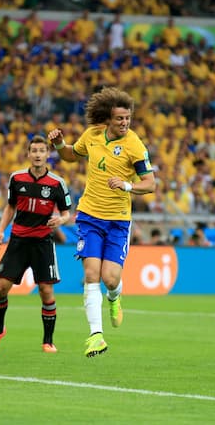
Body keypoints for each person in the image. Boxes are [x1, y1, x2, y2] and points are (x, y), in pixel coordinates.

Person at [47, 87, 156, 357]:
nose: (124, 123)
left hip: (118, 221)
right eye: (120, 119)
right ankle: (96, 335)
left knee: (110, 279)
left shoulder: (135, 145)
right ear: (108, 119)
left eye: (128, 118)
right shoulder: (93, 135)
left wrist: (128, 186)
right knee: (91, 275)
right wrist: (60, 143)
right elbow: (72, 155)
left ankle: (115, 297)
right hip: (90, 216)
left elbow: (150, 184)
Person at [0, 135, 72, 354]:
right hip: (18, 240)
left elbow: (67, 213)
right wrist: (0, 231)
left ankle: (48, 341)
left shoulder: (57, 183)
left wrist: (60, 220)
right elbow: (10, 207)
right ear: (29, 154)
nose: (38, 154)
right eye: (34, 151)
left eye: (42, 151)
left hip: (43, 241)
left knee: (45, 290)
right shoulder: (17, 178)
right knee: (0, 288)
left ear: (47, 155)